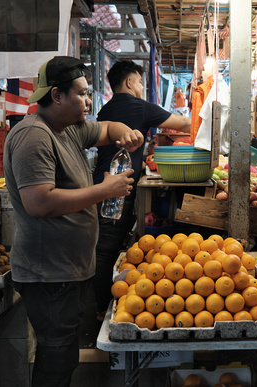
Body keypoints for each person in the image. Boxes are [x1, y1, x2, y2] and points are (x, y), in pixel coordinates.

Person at [3, 56, 144, 386]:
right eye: (81, 94)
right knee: (56, 359)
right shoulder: (35, 136)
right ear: (57, 96)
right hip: (49, 272)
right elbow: (39, 202)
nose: (88, 101)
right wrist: (103, 190)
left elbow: (107, 129)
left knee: (62, 355)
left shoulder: (68, 129)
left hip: (68, 268)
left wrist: (125, 133)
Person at [92, 59, 191, 321]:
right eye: (139, 81)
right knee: (106, 248)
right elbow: (183, 124)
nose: (141, 87)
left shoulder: (106, 109)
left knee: (103, 245)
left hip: (101, 182)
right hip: (116, 188)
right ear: (129, 82)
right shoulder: (138, 107)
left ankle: (102, 302)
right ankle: (101, 309)